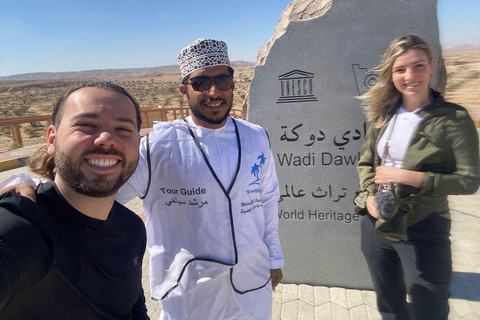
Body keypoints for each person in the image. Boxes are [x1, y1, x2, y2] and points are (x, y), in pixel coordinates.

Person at [115, 38, 284, 319]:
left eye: (222, 80)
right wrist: (22, 185)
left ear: (233, 83)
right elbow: (101, 200)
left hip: (252, 281)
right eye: (201, 83)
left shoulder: (256, 136)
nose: (214, 91)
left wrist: (274, 257)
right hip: (190, 292)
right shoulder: (156, 147)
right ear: (184, 90)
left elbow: (267, 198)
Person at [354, 34, 480, 320]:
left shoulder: (454, 118)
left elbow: (470, 181)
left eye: (418, 66)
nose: (410, 76)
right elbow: (365, 162)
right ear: (391, 73)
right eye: (400, 69)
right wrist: (369, 195)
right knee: (390, 307)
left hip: (424, 226)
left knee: (429, 310)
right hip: (376, 222)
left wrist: (410, 176)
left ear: (432, 65)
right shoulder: (384, 114)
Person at [0, 81, 149, 319]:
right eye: (86, 125)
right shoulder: (23, 227)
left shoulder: (131, 228)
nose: (106, 139)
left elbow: (134, 305)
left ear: (138, 143)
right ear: (52, 139)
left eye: (123, 129)